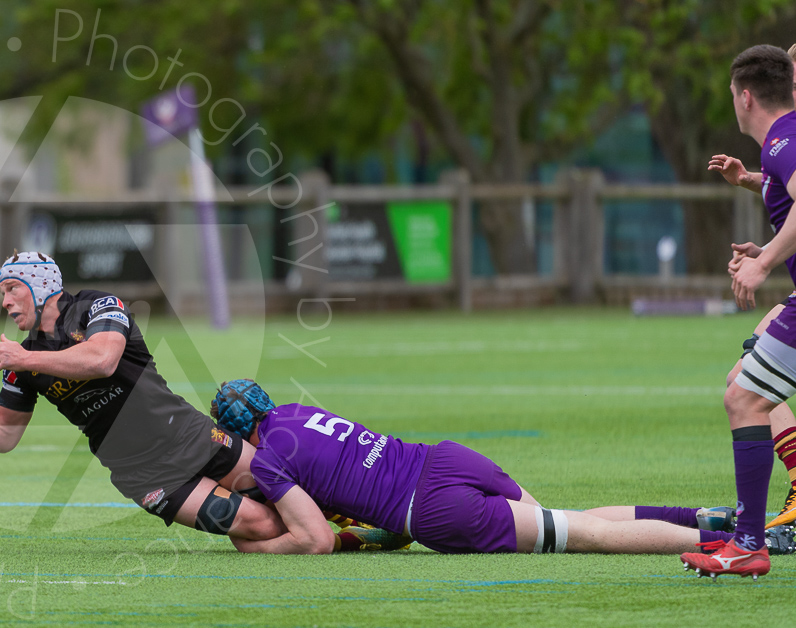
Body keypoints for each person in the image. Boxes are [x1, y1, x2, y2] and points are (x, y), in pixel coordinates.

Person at [206, 379, 796, 575]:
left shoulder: (268, 458)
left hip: (433, 510)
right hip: (446, 458)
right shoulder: (299, 412)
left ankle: (739, 543)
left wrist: (255, 547)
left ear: (237, 434)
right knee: (571, 520)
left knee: (579, 537)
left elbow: (311, 539)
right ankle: (711, 519)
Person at [0, 252, 287, 550]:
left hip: (189, 435)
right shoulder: (20, 362)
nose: (6, 302)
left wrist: (24, 358)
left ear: (41, 285)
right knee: (262, 525)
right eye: (3, 293)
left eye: (13, 289)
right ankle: (332, 539)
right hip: (146, 476)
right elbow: (2, 433)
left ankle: (343, 528)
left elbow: (102, 361)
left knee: (292, 493)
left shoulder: (98, 306)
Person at [688, 44, 796, 576]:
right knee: (746, 386)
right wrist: (753, 182)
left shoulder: (782, 139)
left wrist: (765, 264)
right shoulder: (781, 146)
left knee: (744, 397)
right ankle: (750, 538)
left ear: (745, 96)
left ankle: (750, 543)